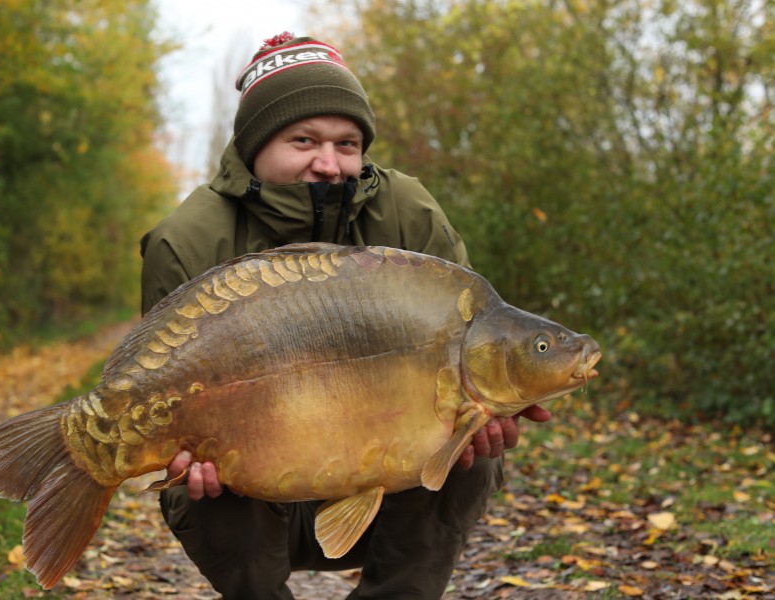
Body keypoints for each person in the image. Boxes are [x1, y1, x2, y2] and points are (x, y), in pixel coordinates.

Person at [140, 32, 550, 599]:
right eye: (303, 140)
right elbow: (160, 389)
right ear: (255, 144)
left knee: (469, 450)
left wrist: (484, 411)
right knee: (200, 482)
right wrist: (182, 449)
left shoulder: (408, 213)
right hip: (254, 484)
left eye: (348, 144)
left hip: (388, 475)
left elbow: (476, 329)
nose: (329, 164)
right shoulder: (186, 240)